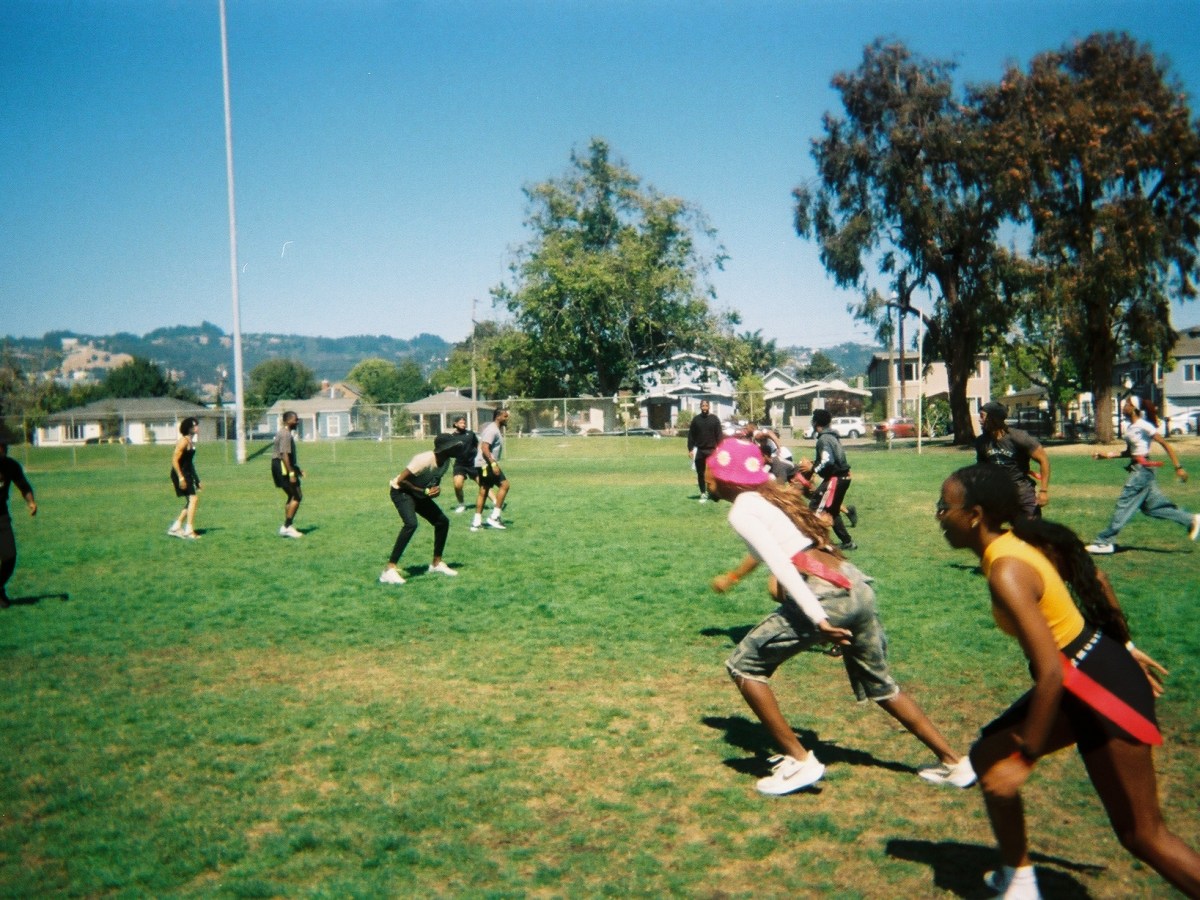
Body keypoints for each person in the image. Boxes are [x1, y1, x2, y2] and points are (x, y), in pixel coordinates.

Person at [937, 464, 1200, 899]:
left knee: (1143, 835)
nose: (939, 516)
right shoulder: (1015, 542)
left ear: (975, 515)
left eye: (943, 507)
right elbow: (1096, 576)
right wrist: (1126, 647)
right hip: (1088, 673)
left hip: (1099, 688)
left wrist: (1025, 759)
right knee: (987, 753)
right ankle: (1019, 881)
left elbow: (1051, 673)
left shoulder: (1006, 569)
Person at [707, 437, 975, 795]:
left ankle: (800, 762)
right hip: (854, 583)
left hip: (825, 594)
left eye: (708, 469)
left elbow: (783, 569)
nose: (703, 475)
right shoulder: (763, 498)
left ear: (726, 476)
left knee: (744, 666)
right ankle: (955, 763)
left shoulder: (741, 510)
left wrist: (820, 620)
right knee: (882, 686)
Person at [1085, 395, 1199, 554]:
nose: (1123, 406)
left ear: (1134, 408)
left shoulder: (1144, 425)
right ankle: (1191, 519)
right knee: (1152, 508)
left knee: (1124, 503)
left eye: (1126, 404)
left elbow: (1164, 443)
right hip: (1141, 469)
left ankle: (1104, 542)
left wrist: (1178, 467)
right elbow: (1130, 453)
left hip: (1142, 472)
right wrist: (1107, 455)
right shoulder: (1130, 427)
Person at [379, 432, 464, 584]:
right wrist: (423, 491)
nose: (456, 449)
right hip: (401, 491)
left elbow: (433, 481)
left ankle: (436, 563)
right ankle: (388, 570)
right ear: (443, 449)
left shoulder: (445, 462)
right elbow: (401, 480)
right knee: (411, 524)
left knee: (442, 522)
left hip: (418, 493)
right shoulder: (423, 459)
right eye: (453, 447)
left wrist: (434, 490)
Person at [975, 401, 1051, 520]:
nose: (979, 420)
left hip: (1022, 492)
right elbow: (981, 469)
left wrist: (1044, 491)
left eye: (982, 416)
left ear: (993, 418)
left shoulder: (1019, 437)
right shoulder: (981, 442)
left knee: (1033, 532)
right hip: (996, 494)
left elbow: (1043, 460)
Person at [805, 409, 858, 549]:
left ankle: (816, 542)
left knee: (815, 507)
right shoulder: (832, 436)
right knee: (833, 511)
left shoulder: (824, 439)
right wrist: (815, 463)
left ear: (816, 423)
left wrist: (812, 469)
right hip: (843, 477)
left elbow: (827, 460)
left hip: (836, 478)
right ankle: (848, 542)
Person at [0, 429, 38, 609]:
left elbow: (23, 485)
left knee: (10, 556)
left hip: (1, 515)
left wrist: (31, 502)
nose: (1, 450)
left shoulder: (11, 466)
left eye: (3, 447)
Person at [471, 408, 510, 531]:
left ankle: (476, 523)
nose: (506, 418)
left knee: (484, 491)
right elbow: (484, 447)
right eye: (505, 416)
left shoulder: (494, 429)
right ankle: (494, 517)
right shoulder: (492, 430)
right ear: (498, 417)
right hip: (486, 464)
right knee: (505, 485)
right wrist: (493, 464)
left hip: (483, 464)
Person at [271, 410, 305, 538]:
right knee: (297, 495)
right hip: (282, 466)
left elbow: (287, 456)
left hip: (279, 466)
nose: (297, 422)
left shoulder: (283, 433)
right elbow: (284, 454)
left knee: (291, 495)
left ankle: (288, 526)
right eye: (295, 419)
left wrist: (296, 469)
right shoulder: (285, 434)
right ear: (288, 421)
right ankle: (286, 526)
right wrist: (291, 473)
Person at [168, 417, 202, 539]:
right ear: (189, 428)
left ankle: (175, 527)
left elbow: (189, 463)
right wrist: (181, 478)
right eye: (195, 426)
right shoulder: (183, 441)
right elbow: (174, 460)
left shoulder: (191, 442)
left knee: (191, 501)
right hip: (180, 474)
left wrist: (197, 480)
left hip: (187, 473)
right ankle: (189, 530)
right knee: (194, 500)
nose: (197, 427)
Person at [687, 400, 723, 503]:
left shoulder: (714, 419)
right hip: (700, 451)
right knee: (700, 473)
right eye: (703, 406)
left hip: (712, 450)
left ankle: (714, 492)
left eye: (706, 406)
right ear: (700, 407)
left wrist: (720, 448)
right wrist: (690, 449)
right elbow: (691, 436)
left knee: (714, 473)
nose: (704, 407)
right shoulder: (696, 420)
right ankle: (703, 493)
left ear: (709, 407)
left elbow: (719, 435)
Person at [449, 415, 480, 514]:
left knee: (483, 484)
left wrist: (479, 455)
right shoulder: (452, 437)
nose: (463, 424)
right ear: (455, 424)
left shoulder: (470, 434)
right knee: (457, 485)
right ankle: (461, 504)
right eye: (461, 423)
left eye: (464, 423)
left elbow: (478, 444)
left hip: (472, 463)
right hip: (460, 464)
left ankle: (496, 503)